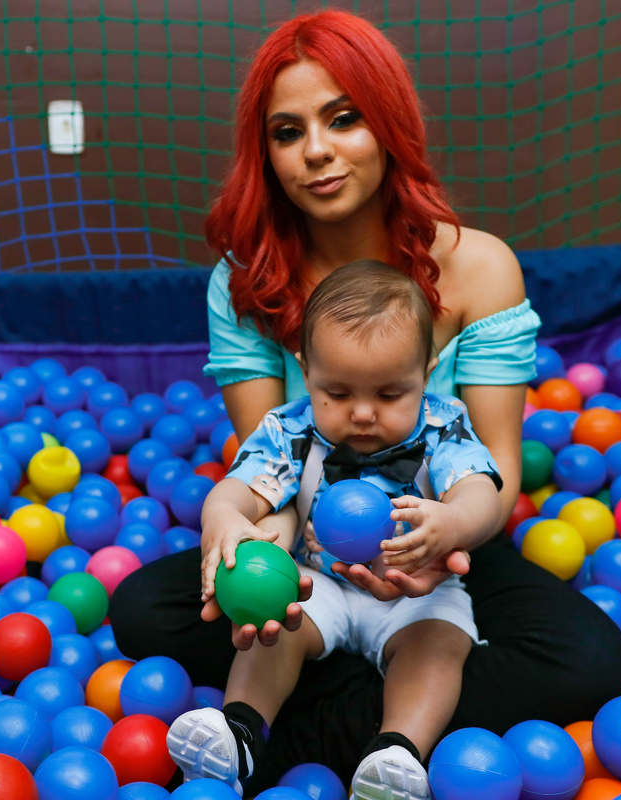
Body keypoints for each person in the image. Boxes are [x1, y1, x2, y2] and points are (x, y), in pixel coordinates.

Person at [110, 8, 621, 790]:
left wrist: (435, 544)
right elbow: (269, 475)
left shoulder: (481, 269)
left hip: (436, 555)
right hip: (309, 560)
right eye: (288, 132)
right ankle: (382, 734)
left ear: (388, 125)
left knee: (588, 658)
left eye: (343, 119)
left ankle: (296, 736)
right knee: (143, 611)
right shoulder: (247, 282)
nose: (316, 151)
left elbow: (494, 479)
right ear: (266, 153)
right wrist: (250, 546)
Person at [168, 262, 500, 797]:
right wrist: (224, 517)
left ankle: (396, 754)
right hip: (319, 580)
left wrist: (453, 521)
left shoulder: (444, 424)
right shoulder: (290, 430)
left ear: (427, 371)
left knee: (440, 640)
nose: (363, 413)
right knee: (274, 621)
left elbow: (481, 490)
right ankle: (240, 733)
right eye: (338, 393)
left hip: (413, 587)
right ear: (306, 372)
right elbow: (239, 488)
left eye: (389, 394)